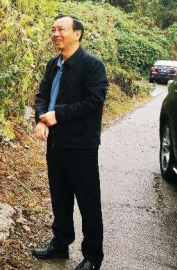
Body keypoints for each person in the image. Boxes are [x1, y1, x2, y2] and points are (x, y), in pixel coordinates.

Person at [32, 15, 108, 270]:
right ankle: (60, 244)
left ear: (77, 33)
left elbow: (94, 101)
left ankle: (93, 256)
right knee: (60, 197)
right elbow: (42, 95)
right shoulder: (53, 64)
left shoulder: (92, 65)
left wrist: (58, 115)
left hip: (81, 145)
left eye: (62, 29)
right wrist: (41, 119)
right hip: (55, 143)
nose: (56, 34)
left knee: (88, 202)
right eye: (53, 29)